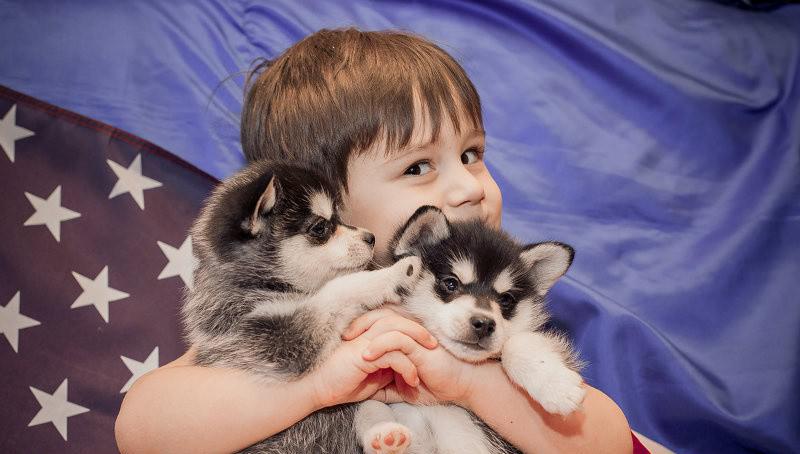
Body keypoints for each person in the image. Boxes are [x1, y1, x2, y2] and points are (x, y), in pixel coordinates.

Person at [115, 28, 634, 453]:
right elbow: (144, 428)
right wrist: (317, 385)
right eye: (418, 166)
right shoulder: (311, 307)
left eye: (472, 154)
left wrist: (469, 382)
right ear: (327, 209)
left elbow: (608, 443)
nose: (469, 186)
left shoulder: (495, 314)